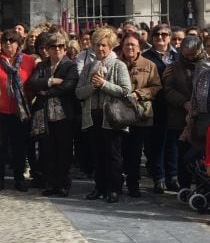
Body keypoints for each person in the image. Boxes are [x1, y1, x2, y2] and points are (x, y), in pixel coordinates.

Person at [76, 27, 132, 203]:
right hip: (92, 117)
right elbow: (78, 93)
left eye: (104, 45)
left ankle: (114, 189)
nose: (100, 49)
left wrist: (103, 84)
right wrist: (92, 86)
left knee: (112, 155)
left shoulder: (118, 65)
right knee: (97, 154)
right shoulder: (88, 67)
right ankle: (98, 187)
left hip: (112, 118)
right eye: (97, 45)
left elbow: (125, 91)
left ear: (111, 47)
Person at [25, 32, 79, 197]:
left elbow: (69, 85)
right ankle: (50, 183)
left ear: (65, 49)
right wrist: (51, 81)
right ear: (47, 49)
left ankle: (63, 184)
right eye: (53, 46)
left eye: (60, 46)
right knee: (47, 150)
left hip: (64, 115)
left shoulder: (70, 66)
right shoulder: (42, 66)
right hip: (45, 115)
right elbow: (32, 82)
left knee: (63, 151)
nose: (57, 50)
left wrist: (46, 92)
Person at [0, 29, 35, 192]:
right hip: (0, 111)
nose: (8, 43)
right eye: (5, 40)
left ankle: (19, 178)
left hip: (20, 111)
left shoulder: (28, 61)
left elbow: (32, 84)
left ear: (18, 44)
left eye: (12, 40)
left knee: (19, 147)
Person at [119, 33, 161, 197]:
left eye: (133, 45)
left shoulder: (149, 65)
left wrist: (139, 93)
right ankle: (118, 180)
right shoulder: (116, 63)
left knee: (135, 152)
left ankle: (133, 183)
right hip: (119, 115)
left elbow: (156, 87)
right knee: (120, 151)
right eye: (127, 44)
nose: (130, 48)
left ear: (139, 47)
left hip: (140, 114)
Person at [163, 35, 205, 191]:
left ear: (199, 51)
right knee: (182, 156)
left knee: (201, 156)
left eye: (192, 55)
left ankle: (202, 186)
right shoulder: (174, 67)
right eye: (185, 55)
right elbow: (168, 90)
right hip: (180, 118)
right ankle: (185, 186)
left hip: (203, 120)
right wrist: (184, 102)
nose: (189, 58)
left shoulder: (206, 66)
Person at [142, 24, 180, 193]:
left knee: (173, 142)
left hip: (176, 106)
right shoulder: (146, 56)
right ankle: (159, 177)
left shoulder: (178, 56)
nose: (160, 37)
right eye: (157, 34)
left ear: (170, 37)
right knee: (157, 142)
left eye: (164, 35)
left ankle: (173, 176)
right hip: (156, 104)